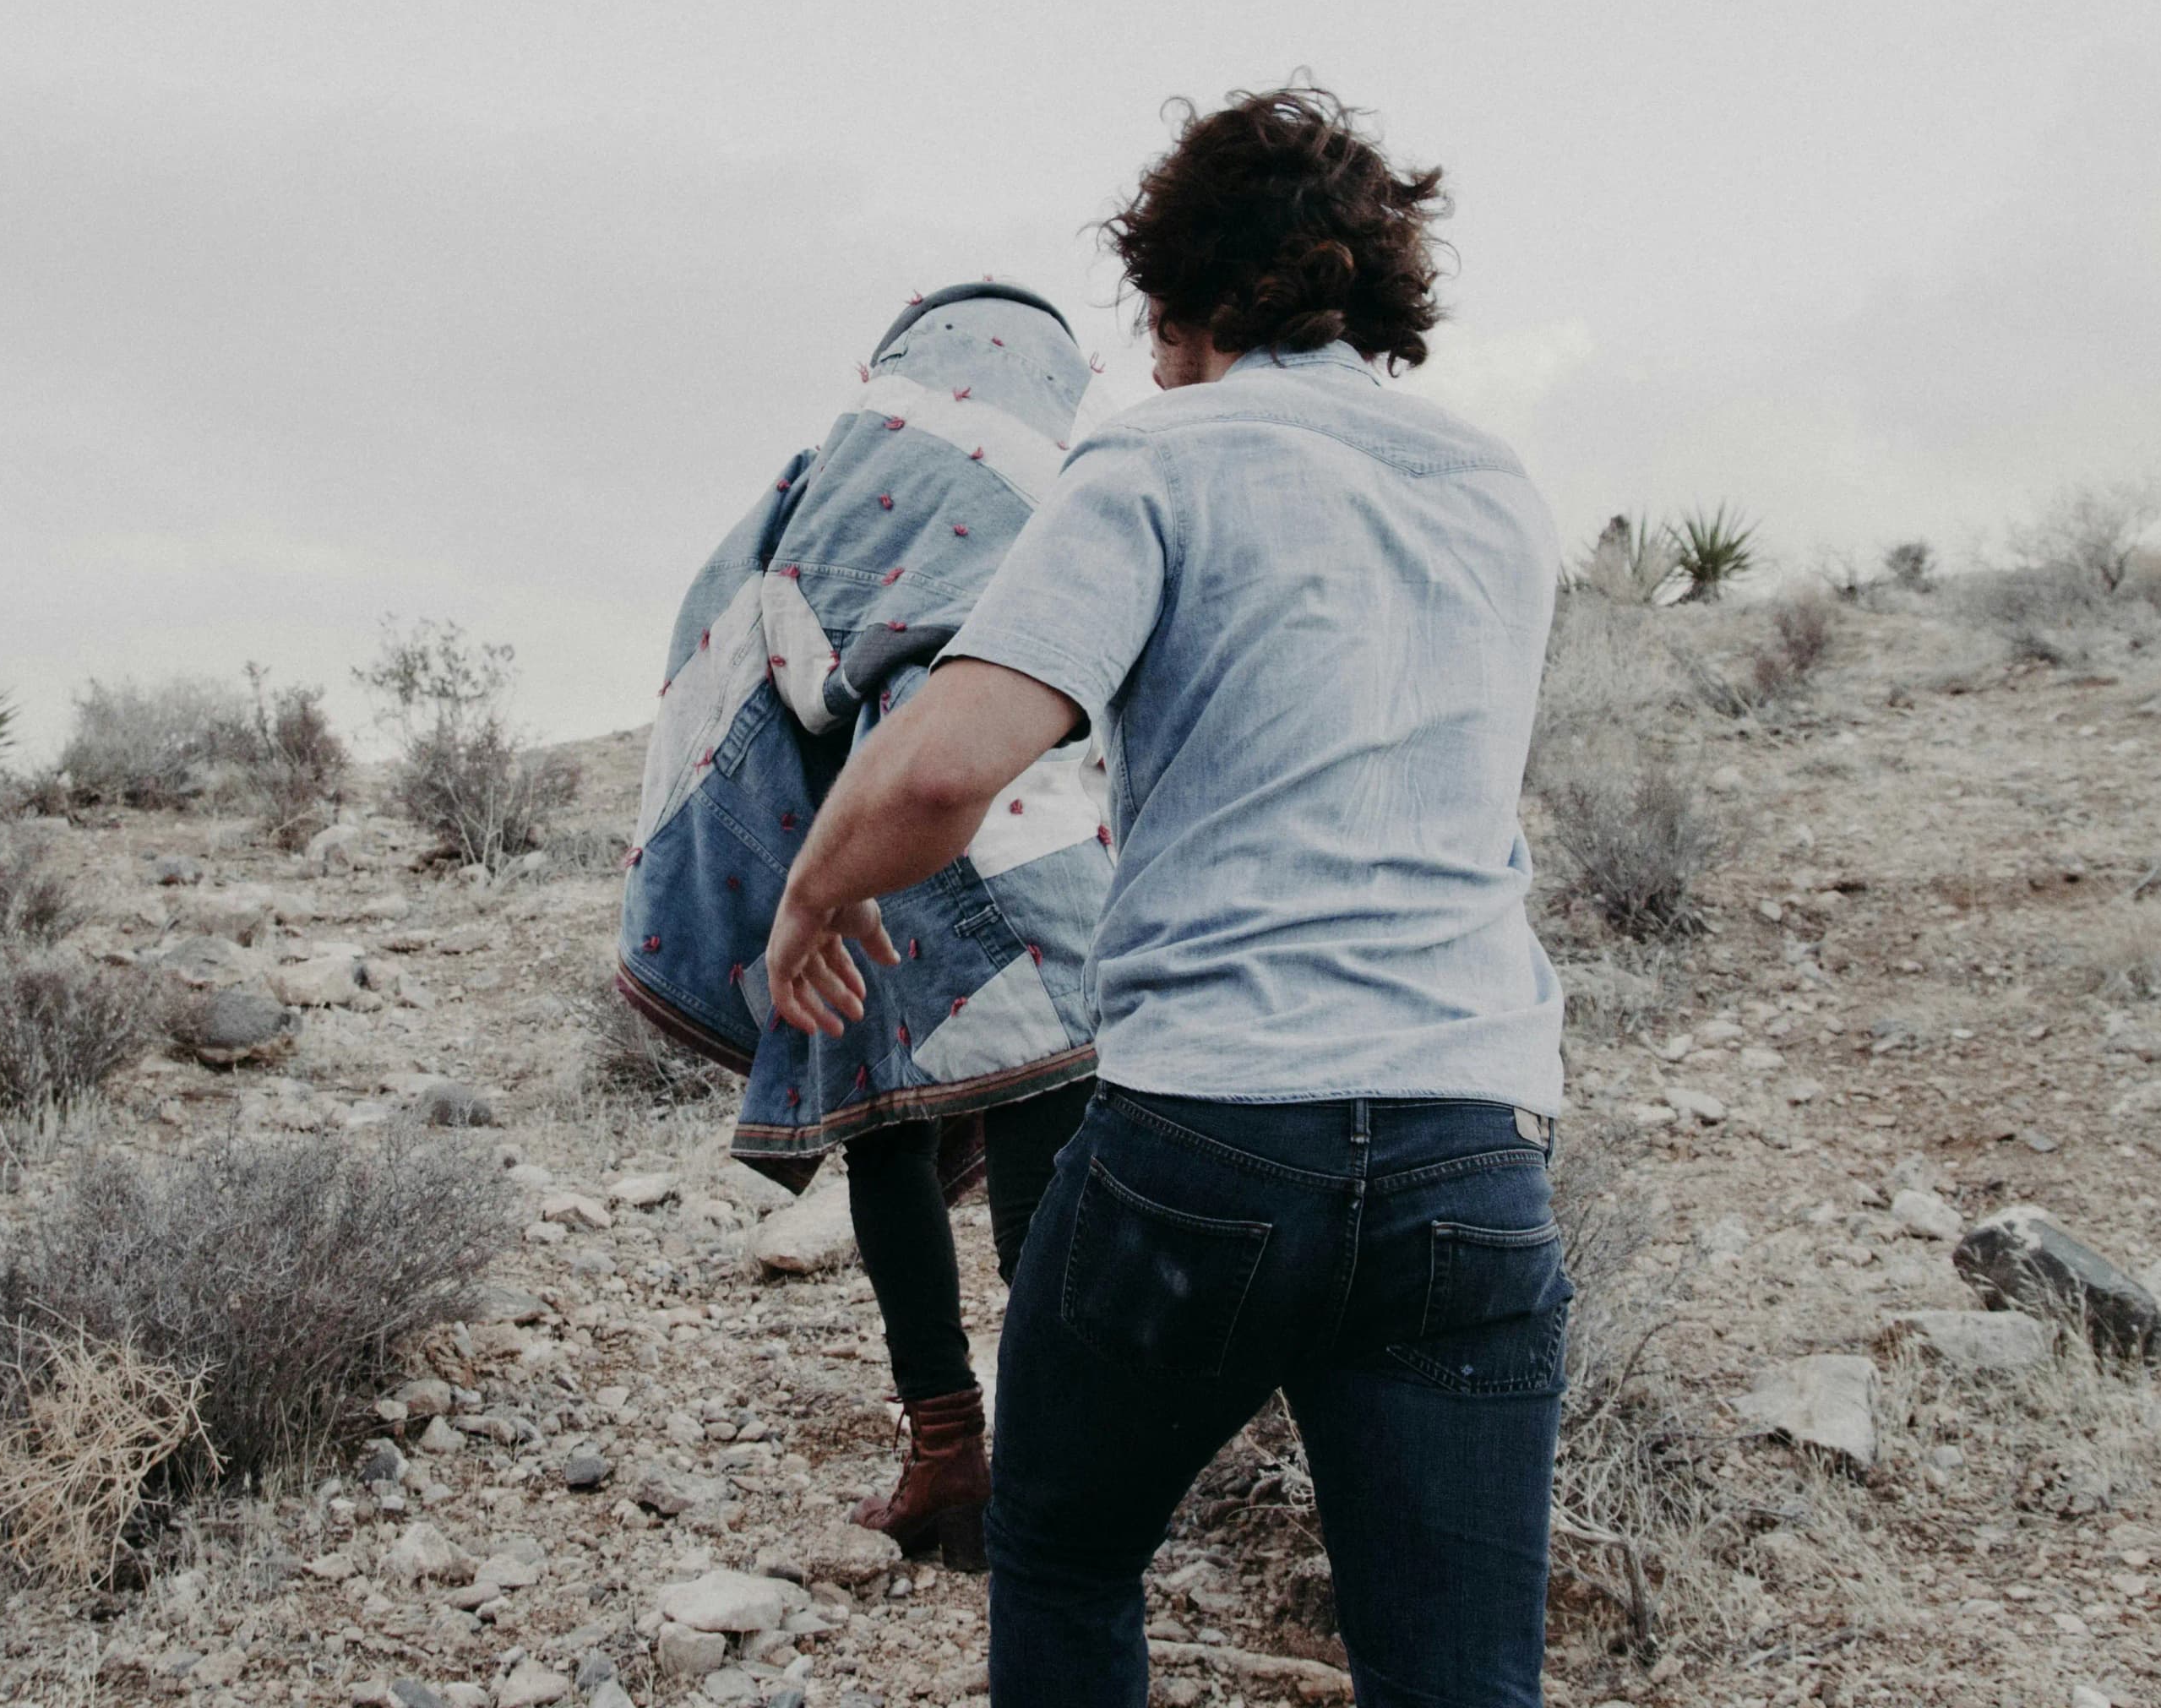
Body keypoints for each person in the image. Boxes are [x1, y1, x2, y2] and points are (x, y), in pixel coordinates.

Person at [763, 86, 1570, 1706]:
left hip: (1218, 1132)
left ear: (1184, 296)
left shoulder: (1155, 458)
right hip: (1473, 1149)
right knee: (1459, 1674)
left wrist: (810, 894)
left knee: (1063, 1551)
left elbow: (943, 765)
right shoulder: (1497, 490)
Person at [614, 283, 1113, 1567]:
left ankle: (946, 1456)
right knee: (1041, 1137)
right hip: (1052, 835)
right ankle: (1062, 1466)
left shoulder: (826, 483)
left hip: (877, 840)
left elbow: (749, 651)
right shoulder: (1085, 483)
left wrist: (813, 852)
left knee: (888, 1131)